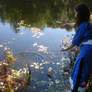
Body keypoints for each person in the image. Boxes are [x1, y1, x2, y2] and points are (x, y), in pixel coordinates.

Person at [60, 3, 92, 92]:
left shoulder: (82, 27)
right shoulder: (86, 23)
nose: (75, 15)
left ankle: (75, 89)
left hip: (86, 52)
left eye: (76, 13)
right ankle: (76, 88)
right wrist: (67, 24)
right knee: (82, 69)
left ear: (80, 14)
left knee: (80, 71)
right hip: (87, 50)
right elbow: (74, 24)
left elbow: (75, 42)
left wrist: (65, 49)